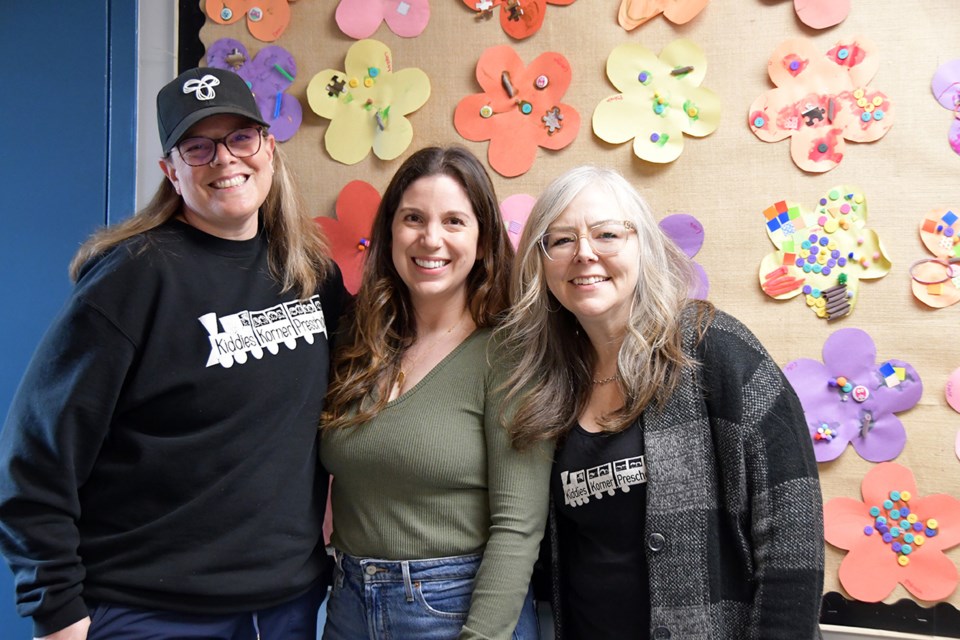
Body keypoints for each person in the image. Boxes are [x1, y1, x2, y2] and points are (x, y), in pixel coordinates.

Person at [0, 67, 347, 640]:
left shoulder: (310, 273)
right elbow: (35, 453)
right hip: (151, 612)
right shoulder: (133, 277)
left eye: (240, 138)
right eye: (198, 146)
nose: (225, 160)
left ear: (268, 147)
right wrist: (55, 610)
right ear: (171, 170)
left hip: (286, 606)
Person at [498, 166, 824, 640]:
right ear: (541, 261)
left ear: (643, 245)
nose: (585, 253)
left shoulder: (710, 348)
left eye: (607, 234)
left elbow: (793, 531)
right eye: (562, 240)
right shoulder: (549, 382)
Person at [320, 145, 551, 640]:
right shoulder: (357, 341)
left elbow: (518, 527)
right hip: (348, 602)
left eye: (453, 221)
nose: (431, 239)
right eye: (413, 218)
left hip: (454, 608)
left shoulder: (508, 353)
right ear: (390, 232)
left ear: (484, 240)